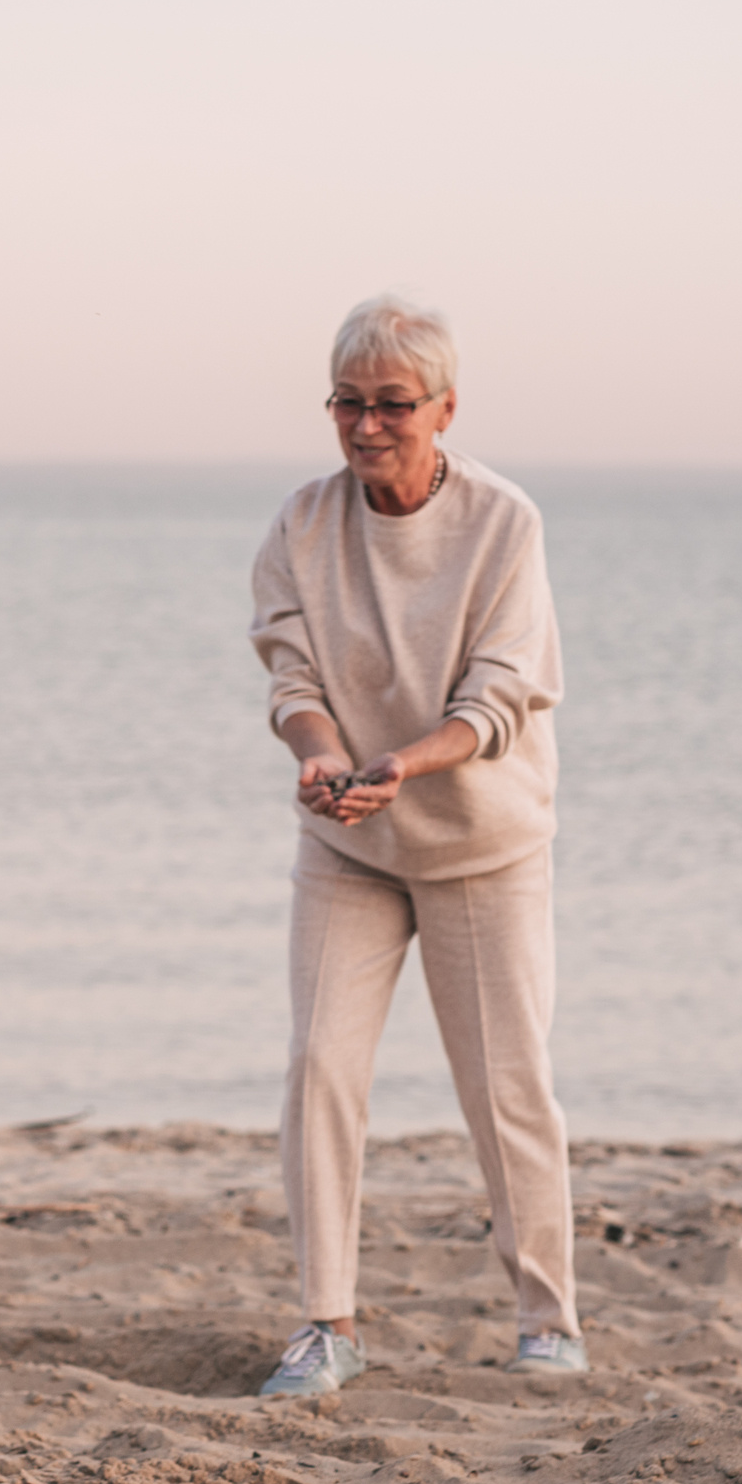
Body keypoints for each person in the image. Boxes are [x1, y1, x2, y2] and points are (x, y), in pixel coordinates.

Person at [247, 295, 585, 1396]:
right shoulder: (302, 524)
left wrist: (403, 765)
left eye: (393, 405)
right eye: (348, 403)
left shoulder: (503, 523)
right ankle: (327, 1323)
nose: (367, 424)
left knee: (506, 1085)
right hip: (346, 842)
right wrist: (320, 755)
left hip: (480, 842)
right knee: (319, 1068)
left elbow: (500, 697)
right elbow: (290, 676)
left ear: (444, 408)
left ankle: (548, 1319)